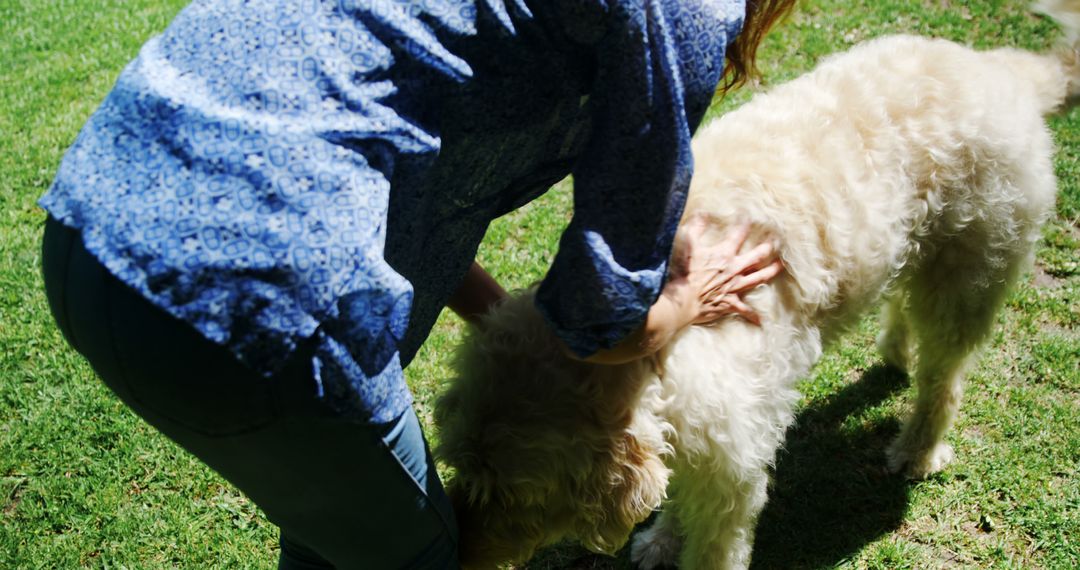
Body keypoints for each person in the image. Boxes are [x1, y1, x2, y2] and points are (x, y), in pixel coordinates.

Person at [39, 0, 793, 567]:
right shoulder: (678, 10)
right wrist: (688, 300)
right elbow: (603, 323)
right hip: (255, 294)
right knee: (420, 559)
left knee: (343, 539)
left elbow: (396, 165)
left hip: (91, 219)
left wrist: (506, 324)